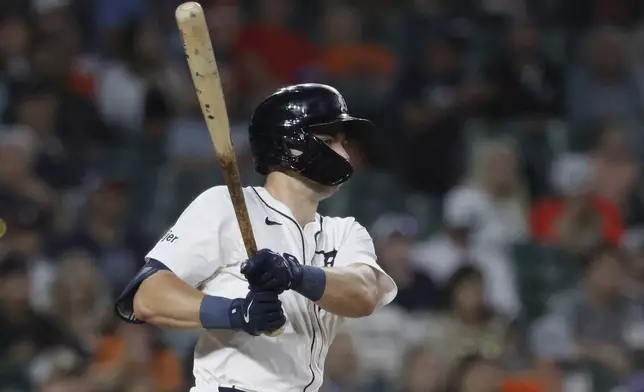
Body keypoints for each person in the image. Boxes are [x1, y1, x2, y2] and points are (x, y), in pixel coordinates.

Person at [114, 83, 398, 392]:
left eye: (345, 142)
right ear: (287, 144)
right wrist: (236, 312)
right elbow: (148, 297)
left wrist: (296, 274)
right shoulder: (229, 205)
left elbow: (365, 294)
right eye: (329, 140)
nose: (344, 153)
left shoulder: (344, 232)